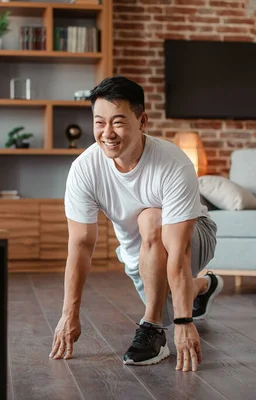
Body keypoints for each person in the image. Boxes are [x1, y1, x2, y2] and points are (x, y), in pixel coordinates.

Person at [49, 76, 223, 373]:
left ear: (142, 121)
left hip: (195, 238)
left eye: (118, 122)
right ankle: (203, 287)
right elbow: (80, 245)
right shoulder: (84, 169)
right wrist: (69, 314)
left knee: (151, 218)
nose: (107, 133)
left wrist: (184, 322)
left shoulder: (173, 163)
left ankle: (153, 328)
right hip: (137, 252)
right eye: (99, 122)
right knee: (168, 301)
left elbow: (179, 251)